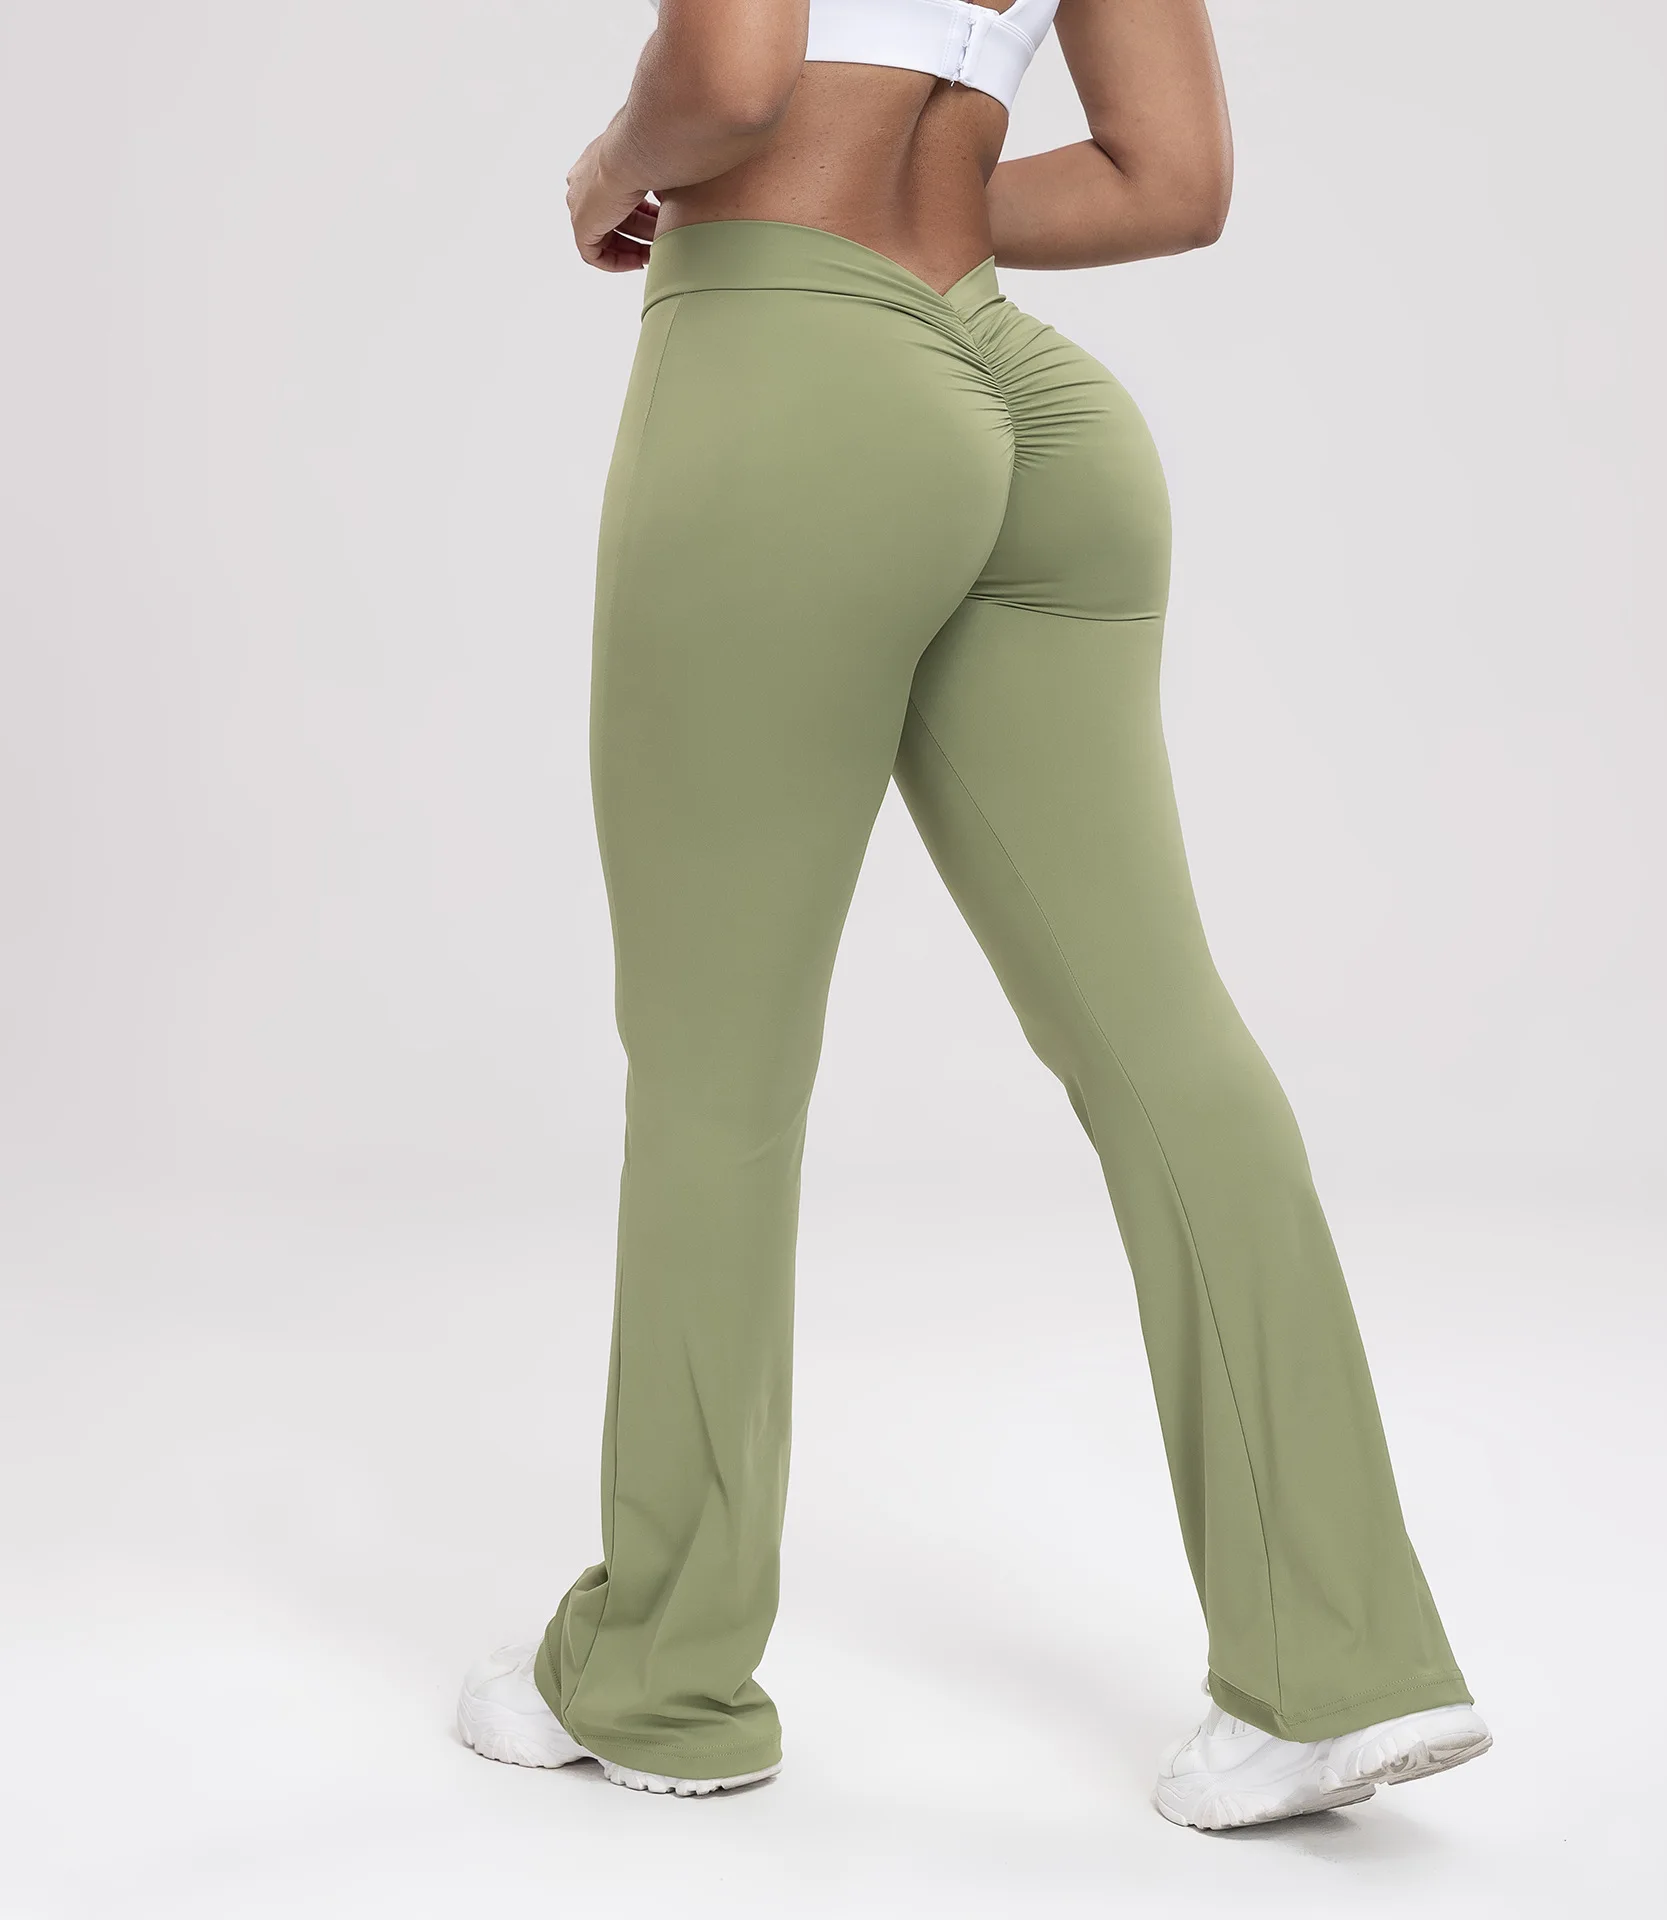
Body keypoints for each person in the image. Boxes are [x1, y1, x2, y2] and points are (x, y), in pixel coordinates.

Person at [456, 0, 1489, 1832]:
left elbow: (730, 79)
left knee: (714, 1066)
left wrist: (612, 172)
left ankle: (660, 1676)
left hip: (792, 371)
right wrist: (914, 231)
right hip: (1032, 401)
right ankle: (1337, 1667)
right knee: (1164, 1043)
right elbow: (1171, 179)